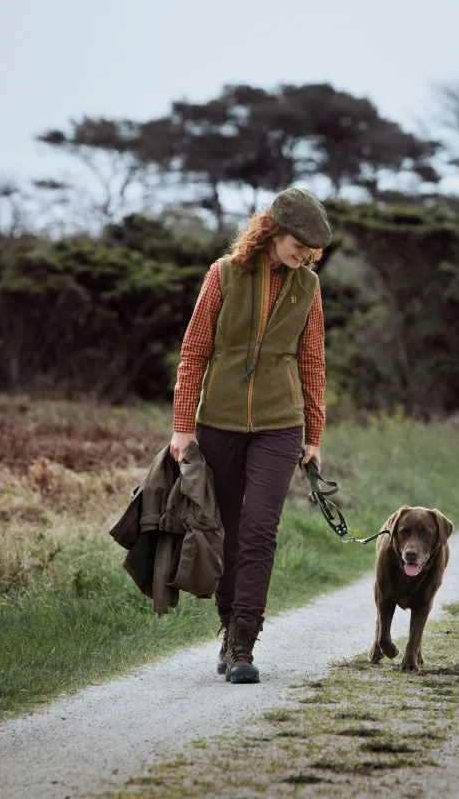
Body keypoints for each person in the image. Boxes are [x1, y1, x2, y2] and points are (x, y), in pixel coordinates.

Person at [169, 187, 331, 684]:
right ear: (273, 231)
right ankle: (228, 625)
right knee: (227, 532)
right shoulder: (224, 275)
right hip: (217, 422)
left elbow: (312, 363)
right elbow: (194, 351)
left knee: (260, 530)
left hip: (280, 426)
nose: (304, 257)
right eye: (297, 246)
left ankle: (243, 644)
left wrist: (314, 435)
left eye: (311, 251)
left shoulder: (309, 288)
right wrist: (181, 426)